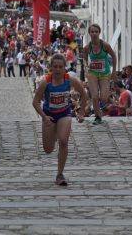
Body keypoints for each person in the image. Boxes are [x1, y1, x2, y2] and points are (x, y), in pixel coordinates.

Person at [32, 54, 86, 185]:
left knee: (63, 141)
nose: (57, 70)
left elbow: (83, 94)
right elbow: (35, 102)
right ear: (50, 68)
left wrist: (81, 112)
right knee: (48, 149)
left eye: (60, 67)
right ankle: (55, 132)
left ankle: (60, 174)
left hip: (64, 114)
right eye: (55, 67)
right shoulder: (46, 82)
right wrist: (44, 117)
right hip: (49, 116)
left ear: (64, 68)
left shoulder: (70, 80)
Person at [82, 24, 117, 125]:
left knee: (104, 98)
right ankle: (98, 116)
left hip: (104, 73)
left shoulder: (105, 45)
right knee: (94, 96)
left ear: (99, 33)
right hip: (92, 73)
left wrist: (114, 71)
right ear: (89, 33)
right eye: (92, 32)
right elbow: (84, 58)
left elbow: (114, 56)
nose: (94, 34)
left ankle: (107, 102)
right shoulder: (87, 47)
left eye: (96, 32)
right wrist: (86, 66)